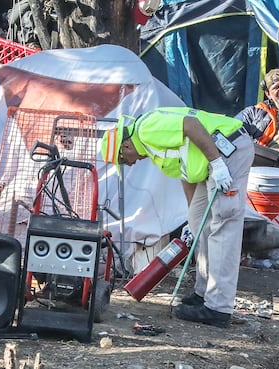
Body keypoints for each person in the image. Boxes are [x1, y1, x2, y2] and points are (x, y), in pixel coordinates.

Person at [100, 107, 254, 328]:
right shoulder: (151, 149)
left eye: (124, 160)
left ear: (125, 146)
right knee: (200, 222)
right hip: (211, 162)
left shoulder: (146, 130)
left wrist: (218, 164)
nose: (130, 164)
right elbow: (186, 172)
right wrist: (193, 217)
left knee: (223, 225)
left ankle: (218, 307)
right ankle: (204, 294)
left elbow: (190, 125)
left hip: (227, 152)